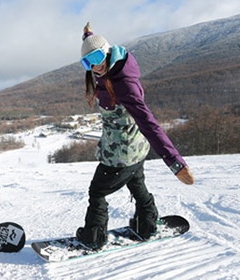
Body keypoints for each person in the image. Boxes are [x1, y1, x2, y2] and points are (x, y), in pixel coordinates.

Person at [75, 22, 195, 248]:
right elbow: (95, 49)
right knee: (136, 183)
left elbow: (150, 124)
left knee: (97, 192)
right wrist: (87, 36)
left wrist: (175, 163)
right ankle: (147, 224)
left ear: (108, 52)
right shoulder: (113, 66)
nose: (95, 67)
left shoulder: (125, 85)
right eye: (87, 62)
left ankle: (93, 236)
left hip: (119, 155)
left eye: (97, 58)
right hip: (136, 150)